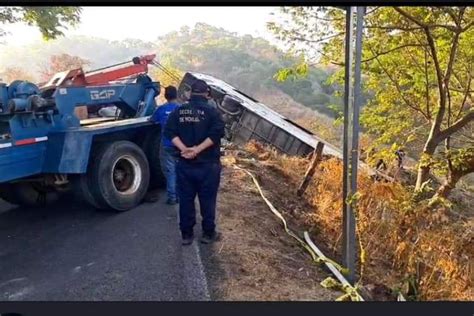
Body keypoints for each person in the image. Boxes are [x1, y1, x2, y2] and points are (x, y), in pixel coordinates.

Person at [164, 79, 225, 245]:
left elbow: (169, 132)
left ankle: (186, 235)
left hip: (184, 165)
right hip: (208, 165)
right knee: (207, 200)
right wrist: (197, 150)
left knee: (185, 200)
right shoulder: (213, 112)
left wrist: (185, 150)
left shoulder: (179, 111)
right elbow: (216, 134)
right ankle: (208, 233)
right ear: (207, 94)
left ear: (190, 93)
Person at [149, 86, 181, 205]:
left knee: (170, 171)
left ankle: (172, 198)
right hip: (180, 145)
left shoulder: (161, 109)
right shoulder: (181, 109)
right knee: (180, 170)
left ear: (165, 96)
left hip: (167, 144)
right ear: (176, 95)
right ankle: (181, 195)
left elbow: (152, 120)